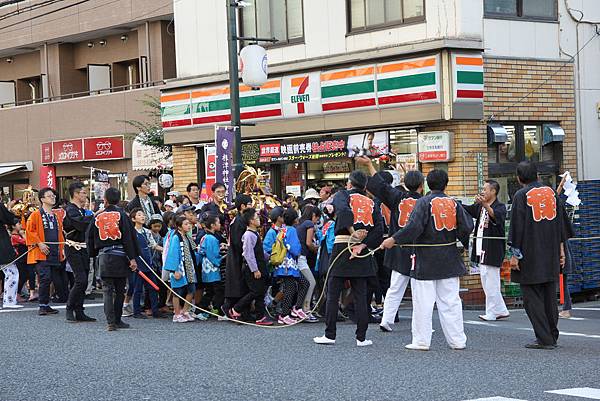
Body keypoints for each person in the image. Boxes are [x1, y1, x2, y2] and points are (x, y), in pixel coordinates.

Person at [381, 169, 473, 351]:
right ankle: (457, 340)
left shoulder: (423, 202)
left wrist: (394, 239)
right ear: (445, 184)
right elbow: (467, 226)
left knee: (423, 301)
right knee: (451, 302)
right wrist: (461, 242)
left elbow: (414, 227)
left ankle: (422, 341)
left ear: (427, 185)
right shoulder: (454, 204)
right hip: (449, 258)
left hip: (425, 260)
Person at [314, 170, 384, 347]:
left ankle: (330, 335)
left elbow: (343, 211)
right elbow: (378, 230)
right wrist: (361, 244)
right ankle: (361, 337)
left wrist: (353, 235)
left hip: (342, 247)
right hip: (362, 250)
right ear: (365, 186)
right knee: (361, 295)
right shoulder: (372, 202)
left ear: (350, 184)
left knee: (333, 293)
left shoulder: (343, 195)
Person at [358, 156, 424, 332]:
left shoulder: (398, 197)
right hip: (421, 250)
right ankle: (421, 325)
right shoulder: (426, 202)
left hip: (398, 248)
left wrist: (370, 165)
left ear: (405, 184)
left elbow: (381, 187)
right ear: (421, 186)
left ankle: (386, 320)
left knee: (395, 286)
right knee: (419, 290)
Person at [508, 161, 565, 349]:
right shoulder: (551, 193)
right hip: (550, 253)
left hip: (530, 254)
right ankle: (552, 334)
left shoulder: (521, 195)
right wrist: (562, 251)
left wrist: (515, 255)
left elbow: (517, 227)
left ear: (519, 178)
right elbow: (561, 225)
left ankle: (544, 339)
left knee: (532, 299)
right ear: (537, 175)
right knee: (549, 296)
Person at [87, 188, 140, 331]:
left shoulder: (98, 216)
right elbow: (129, 238)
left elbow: (90, 236)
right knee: (120, 290)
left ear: (105, 199)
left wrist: (92, 254)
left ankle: (111, 322)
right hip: (120, 257)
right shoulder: (122, 215)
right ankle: (117, 320)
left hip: (104, 256)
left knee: (107, 290)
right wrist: (133, 258)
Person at [463, 180, 510, 322]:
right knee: (486, 280)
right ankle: (501, 309)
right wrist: (455, 203)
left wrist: (484, 204)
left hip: (493, 249)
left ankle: (492, 312)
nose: (483, 191)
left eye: (485, 189)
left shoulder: (500, 207)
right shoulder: (480, 207)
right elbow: (469, 209)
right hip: (481, 248)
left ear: (493, 191)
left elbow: (496, 216)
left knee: (491, 282)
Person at [229, 208, 274, 325]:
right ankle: (236, 309)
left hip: (259, 266)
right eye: (257, 218)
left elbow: (258, 251)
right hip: (253, 268)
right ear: (251, 221)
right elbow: (248, 254)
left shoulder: (254, 233)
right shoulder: (249, 235)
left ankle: (260, 317)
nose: (259, 220)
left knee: (260, 293)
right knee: (255, 291)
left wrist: (269, 257)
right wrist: (255, 269)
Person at [26, 188, 66, 316]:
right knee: (45, 278)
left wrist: (62, 248)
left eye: (53, 195)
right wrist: (39, 243)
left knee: (51, 279)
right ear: (42, 199)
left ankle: (46, 304)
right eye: (49, 196)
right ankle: (43, 305)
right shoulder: (35, 215)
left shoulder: (55, 216)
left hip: (54, 250)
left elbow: (60, 234)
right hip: (41, 252)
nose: (53, 197)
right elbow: (29, 231)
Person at [63, 182, 96, 322]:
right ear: (75, 194)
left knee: (84, 281)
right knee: (80, 279)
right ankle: (70, 307)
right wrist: (95, 215)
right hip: (73, 247)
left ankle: (79, 310)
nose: (85, 195)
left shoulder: (81, 210)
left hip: (83, 247)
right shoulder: (71, 209)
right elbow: (80, 224)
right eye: (83, 192)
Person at [273, 208, 309, 325]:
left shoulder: (282, 230)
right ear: (294, 220)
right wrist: (298, 251)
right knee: (292, 287)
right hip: (289, 264)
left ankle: (294, 309)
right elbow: (295, 249)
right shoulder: (292, 230)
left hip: (283, 263)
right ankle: (285, 314)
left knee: (296, 285)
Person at [129, 208, 165, 319]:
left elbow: (154, 245)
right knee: (138, 289)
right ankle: (136, 311)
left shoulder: (147, 232)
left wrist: (166, 250)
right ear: (133, 219)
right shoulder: (131, 233)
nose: (143, 217)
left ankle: (155, 310)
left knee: (153, 288)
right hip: (138, 264)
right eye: (139, 215)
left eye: (143, 215)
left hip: (148, 263)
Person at [164, 215, 198, 323]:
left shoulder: (187, 237)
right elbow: (173, 254)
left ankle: (185, 311)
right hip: (179, 268)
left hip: (189, 268)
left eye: (189, 224)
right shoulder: (176, 237)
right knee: (177, 292)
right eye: (186, 224)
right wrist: (174, 271)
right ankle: (177, 313)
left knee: (191, 290)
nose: (189, 226)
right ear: (179, 226)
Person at [223, 194, 253, 316]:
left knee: (239, 285)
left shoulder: (241, 219)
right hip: (237, 257)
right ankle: (229, 309)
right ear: (242, 206)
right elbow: (236, 242)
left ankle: (238, 310)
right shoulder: (238, 221)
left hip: (239, 256)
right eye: (250, 204)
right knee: (237, 285)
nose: (252, 206)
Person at [197, 212, 225, 318]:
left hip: (206, 268)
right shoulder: (212, 239)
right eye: (218, 222)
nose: (220, 224)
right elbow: (213, 255)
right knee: (218, 291)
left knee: (210, 291)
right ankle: (216, 310)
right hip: (212, 269)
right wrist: (220, 259)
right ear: (213, 225)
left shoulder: (205, 237)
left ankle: (201, 310)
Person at [296, 205, 321, 321]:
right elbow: (308, 243)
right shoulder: (309, 224)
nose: (317, 221)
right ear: (313, 215)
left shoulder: (299, 223)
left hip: (295, 257)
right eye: (317, 218)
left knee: (301, 283)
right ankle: (306, 310)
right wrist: (317, 248)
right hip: (302, 258)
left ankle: (300, 309)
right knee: (311, 282)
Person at [1, 200, 21, 309]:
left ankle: (9, 300)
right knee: (12, 272)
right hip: (1, 243)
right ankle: (9, 300)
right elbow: (8, 217)